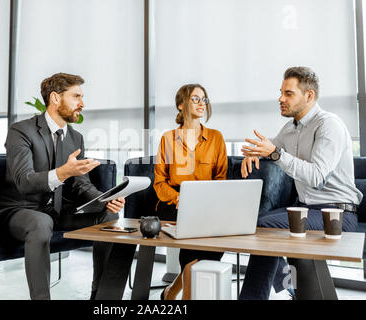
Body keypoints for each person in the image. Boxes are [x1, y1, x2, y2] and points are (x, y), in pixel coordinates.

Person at [0, 72, 125, 300]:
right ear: (55, 98)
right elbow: (24, 181)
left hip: (55, 211)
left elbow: (80, 185)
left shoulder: (75, 137)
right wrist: (64, 172)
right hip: (19, 210)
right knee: (41, 221)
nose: (82, 104)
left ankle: (101, 296)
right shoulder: (21, 131)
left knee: (108, 217)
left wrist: (106, 198)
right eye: (76, 97)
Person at [239, 66, 363, 299]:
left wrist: (275, 153)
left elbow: (316, 176)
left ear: (309, 96)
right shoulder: (289, 128)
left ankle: (277, 293)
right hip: (306, 210)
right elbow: (271, 149)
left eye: (288, 93)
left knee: (264, 229)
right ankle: (294, 289)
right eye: (281, 92)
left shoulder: (329, 125)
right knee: (263, 227)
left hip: (337, 213)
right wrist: (255, 154)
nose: (280, 98)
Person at [153, 83, 228, 299]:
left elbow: (221, 179)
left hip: (207, 203)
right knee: (196, 231)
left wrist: (209, 202)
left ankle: (170, 293)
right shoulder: (168, 139)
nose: (201, 103)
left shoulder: (216, 137)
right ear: (180, 105)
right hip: (173, 203)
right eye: (195, 98)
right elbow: (159, 183)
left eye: (204, 99)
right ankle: (186, 297)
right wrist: (179, 199)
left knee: (216, 234)